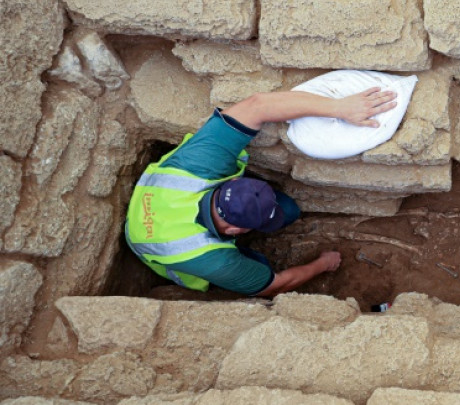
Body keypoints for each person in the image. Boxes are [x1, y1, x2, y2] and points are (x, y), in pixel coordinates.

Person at [125, 87, 397, 297]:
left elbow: (257, 106)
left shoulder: (201, 163)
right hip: (154, 248)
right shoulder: (216, 262)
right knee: (259, 267)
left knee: (287, 210)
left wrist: (339, 107)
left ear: (224, 185)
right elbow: (274, 286)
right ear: (233, 231)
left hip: (158, 200)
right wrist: (323, 264)